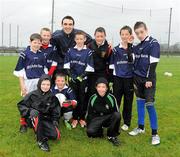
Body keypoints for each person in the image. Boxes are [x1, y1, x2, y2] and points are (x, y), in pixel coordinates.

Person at [128, 21, 160, 145]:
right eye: (137, 33)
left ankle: (155, 134)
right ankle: (140, 127)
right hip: (137, 78)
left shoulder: (153, 43)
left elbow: (153, 63)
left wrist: (149, 79)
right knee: (140, 102)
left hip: (148, 79)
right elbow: (131, 59)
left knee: (150, 104)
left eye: (141, 32)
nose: (139, 35)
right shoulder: (137, 46)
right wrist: (130, 45)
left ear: (146, 30)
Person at [17, 74, 61, 152]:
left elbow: (55, 109)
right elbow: (21, 105)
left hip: (45, 119)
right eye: (43, 84)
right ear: (39, 84)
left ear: (50, 85)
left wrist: (55, 120)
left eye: (48, 84)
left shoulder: (52, 97)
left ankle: (39, 130)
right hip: (33, 118)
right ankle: (41, 140)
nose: (45, 86)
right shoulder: (32, 94)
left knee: (56, 136)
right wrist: (30, 111)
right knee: (36, 114)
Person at [64, 31, 94, 128]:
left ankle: (81, 118)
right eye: (77, 39)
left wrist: (81, 77)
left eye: (81, 39)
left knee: (82, 98)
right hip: (73, 79)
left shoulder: (88, 52)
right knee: (74, 98)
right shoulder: (70, 51)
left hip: (83, 80)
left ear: (85, 39)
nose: (79, 41)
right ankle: (75, 118)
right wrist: (71, 76)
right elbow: (66, 65)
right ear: (75, 39)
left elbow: (90, 67)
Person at [109, 26, 134, 131]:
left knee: (128, 102)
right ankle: (116, 121)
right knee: (116, 101)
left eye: (126, 34)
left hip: (129, 79)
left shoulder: (134, 48)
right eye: (122, 34)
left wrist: (129, 46)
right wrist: (112, 80)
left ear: (130, 35)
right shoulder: (115, 49)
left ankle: (127, 122)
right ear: (120, 35)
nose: (124, 36)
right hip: (118, 78)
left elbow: (131, 60)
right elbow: (111, 65)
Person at [86, 77, 120, 146]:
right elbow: (89, 114)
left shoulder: (111, 98)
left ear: (107, 88)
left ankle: (111, 135)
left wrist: (115, 125)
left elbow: (116, 113)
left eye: (103, 87)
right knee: (90, 132)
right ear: (96, 87)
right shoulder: (93, 98)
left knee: (117, 115)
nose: (101, 89)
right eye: (99, 87)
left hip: (108, 118)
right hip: (97, 118)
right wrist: (89, 125)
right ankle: (99, 130)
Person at [87, 27, 112, 96]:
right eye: (97, 36)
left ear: (105, 36)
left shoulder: (108, 47)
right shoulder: (89, 45)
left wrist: (110, 78)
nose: (99, 38)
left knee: (102, 93)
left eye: (101, 36)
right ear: (94, 36)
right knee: (91, 93)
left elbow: (109, 62)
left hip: (103, 74)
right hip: (91, 74)